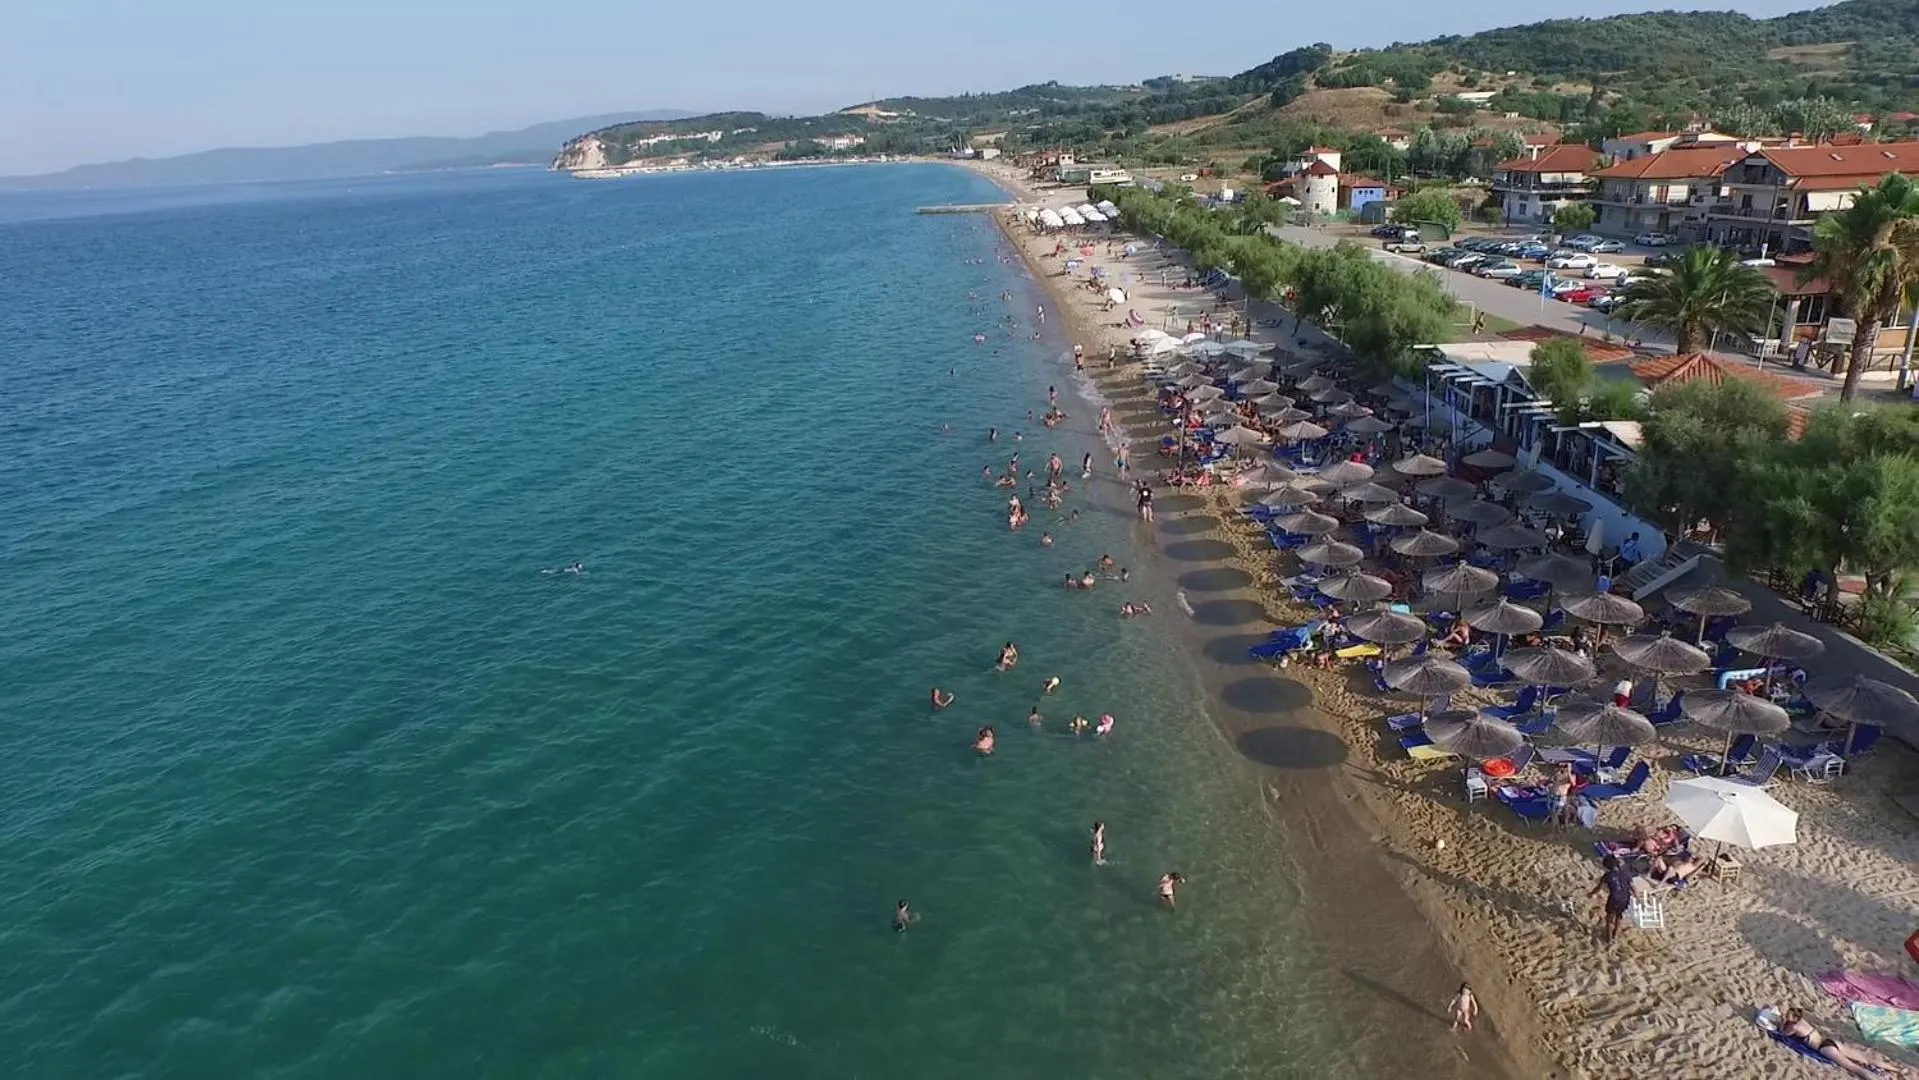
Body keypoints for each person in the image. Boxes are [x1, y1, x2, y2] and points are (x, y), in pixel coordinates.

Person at [1780, 1007, 1913, 1078]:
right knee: (1865, 1058)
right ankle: (1898, 1069)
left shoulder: (1794, 1026)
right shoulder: (1803, 1022)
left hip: (1824, 1048)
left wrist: (1782, 1023)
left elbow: (1784, 1033)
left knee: (1856, 1068)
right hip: (1830, 1041)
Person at [1590, 855, 1636, 944]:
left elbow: (1599, 888)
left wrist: (1591, 894)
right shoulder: (1625, 874)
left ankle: (1609, 939)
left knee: (1610, 918)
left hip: (1614, 898)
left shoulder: (1607, 875)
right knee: (1619, 917)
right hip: (1625, 897)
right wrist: (1638, 897)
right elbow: (1634, 887)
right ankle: (1615, 935)